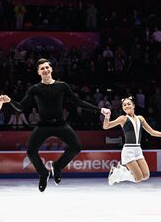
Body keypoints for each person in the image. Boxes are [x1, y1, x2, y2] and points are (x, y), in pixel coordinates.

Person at [8, 58, 110, 192]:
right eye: (42, 68)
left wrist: (99, 109)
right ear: (38, 72)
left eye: (47, 67)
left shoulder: (62, 86)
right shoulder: (35, 89)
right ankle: (43, 173)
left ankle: (57, 166)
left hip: (60, 125)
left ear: (51, 69)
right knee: (31, 151)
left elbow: (78, 102)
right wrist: (10, 101)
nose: (45, 70)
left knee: (76, 147)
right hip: (43, 126)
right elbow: (21, 107)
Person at [104, 96, 161, 185]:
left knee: (146, 175)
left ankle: (120, 173)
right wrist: (107, 117)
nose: (126, 106)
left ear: (133, 105)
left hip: (138, 150)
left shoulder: (140, 118)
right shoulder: (123, 118)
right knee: (138, 178)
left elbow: (152, 132)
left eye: (128, 104)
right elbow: (106, 126)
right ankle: (117, 173)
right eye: (124, 105)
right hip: (128, 151)